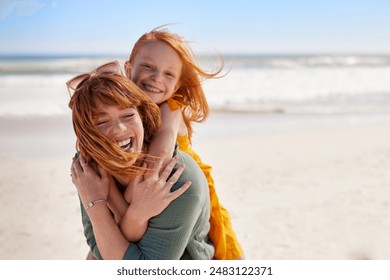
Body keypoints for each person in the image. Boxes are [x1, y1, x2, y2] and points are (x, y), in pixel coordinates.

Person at [67, 61, 214, 259]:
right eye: (102, 121)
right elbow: (97, 248)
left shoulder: (179, 180)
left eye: (128, 115)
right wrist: (135, 215)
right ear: (87, 134)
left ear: (142, 118)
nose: (119, 129)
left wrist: (97, 205)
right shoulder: (88, 171)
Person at [124, 27, 244, 260]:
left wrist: (132, 195)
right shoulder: (127, 106)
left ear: (177, 85)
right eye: (148, 66)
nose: (157, 77)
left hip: (184, 184)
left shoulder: (171, 108)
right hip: (154, 184)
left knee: (223, 242)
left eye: (169, 74)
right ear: (129, 69)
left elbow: (162, 149)